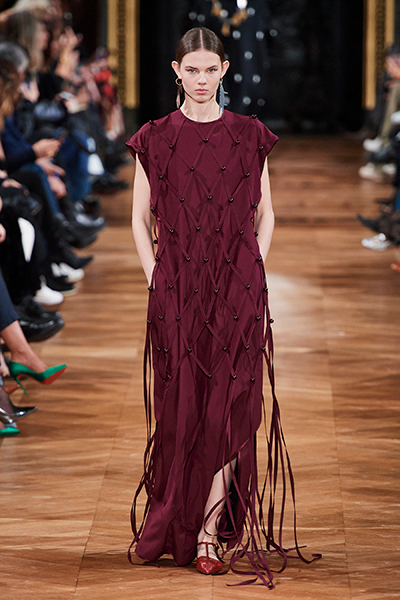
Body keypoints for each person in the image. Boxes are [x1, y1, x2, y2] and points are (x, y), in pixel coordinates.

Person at [127, 27, 317, 587]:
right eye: (193, 70)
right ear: (176, 71)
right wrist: (155, 277)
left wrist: (253, 267)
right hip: (177, 288)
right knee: (183, 404)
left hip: (238, 287)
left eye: (211, 70)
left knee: (231, 407)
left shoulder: (249, 134)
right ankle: (178, 522)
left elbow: (267, 213)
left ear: (225, 70)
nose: (202, 80)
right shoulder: (155, 138)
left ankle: (209, 531)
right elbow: (139, 217)